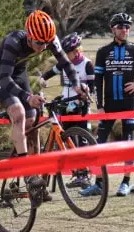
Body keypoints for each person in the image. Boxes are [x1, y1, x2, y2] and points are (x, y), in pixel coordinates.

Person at [0, 10, 85, 201]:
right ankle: (27, 173)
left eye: (47, 43)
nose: (43, 46)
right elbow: (5, 78)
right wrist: (27, 96)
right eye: (39, 43)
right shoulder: (13, 42)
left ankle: (36, 181)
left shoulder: (48, 38)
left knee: (33, 124)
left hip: (20, 76)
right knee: (19, 113)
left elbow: (67, 65)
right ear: (30, 36)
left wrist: (77, 86)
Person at [81, 13, 134, 197]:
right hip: (109, 104)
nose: (125, 30)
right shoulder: (103, 51)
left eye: (128, 27)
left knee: (128, 143)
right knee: (100, 143)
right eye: (121, 26)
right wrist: (100, 105)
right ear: (113, 29)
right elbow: (97, 81)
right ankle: (99, 183)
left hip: (129, 103)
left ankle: (126, 182)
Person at [40, 32, 95, 188]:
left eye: (67, 53)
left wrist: (85, 92)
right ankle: (76, 173)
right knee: (67, 140)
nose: (63, 56)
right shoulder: (64, 64)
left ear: (76, 50)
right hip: (65, 105)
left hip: (81, 107)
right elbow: (50, 73)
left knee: (82, 141)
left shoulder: (87, 64)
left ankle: (84, 175)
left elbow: (93, 87)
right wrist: (42, 79)